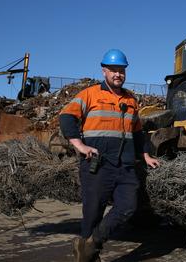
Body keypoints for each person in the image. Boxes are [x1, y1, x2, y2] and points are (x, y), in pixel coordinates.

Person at [60, 49, 160, 262]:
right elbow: (66, 117)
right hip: (97, 164)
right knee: (93, 213)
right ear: (104, 71)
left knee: (128, 207)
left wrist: (145, 155)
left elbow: (137, 132)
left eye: (121, 70)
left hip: (125, 165)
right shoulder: (89, 94)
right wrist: (79, 145)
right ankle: (88, 256)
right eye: (113, 70)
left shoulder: (131, 99)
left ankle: (91, 243)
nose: (118, 74)